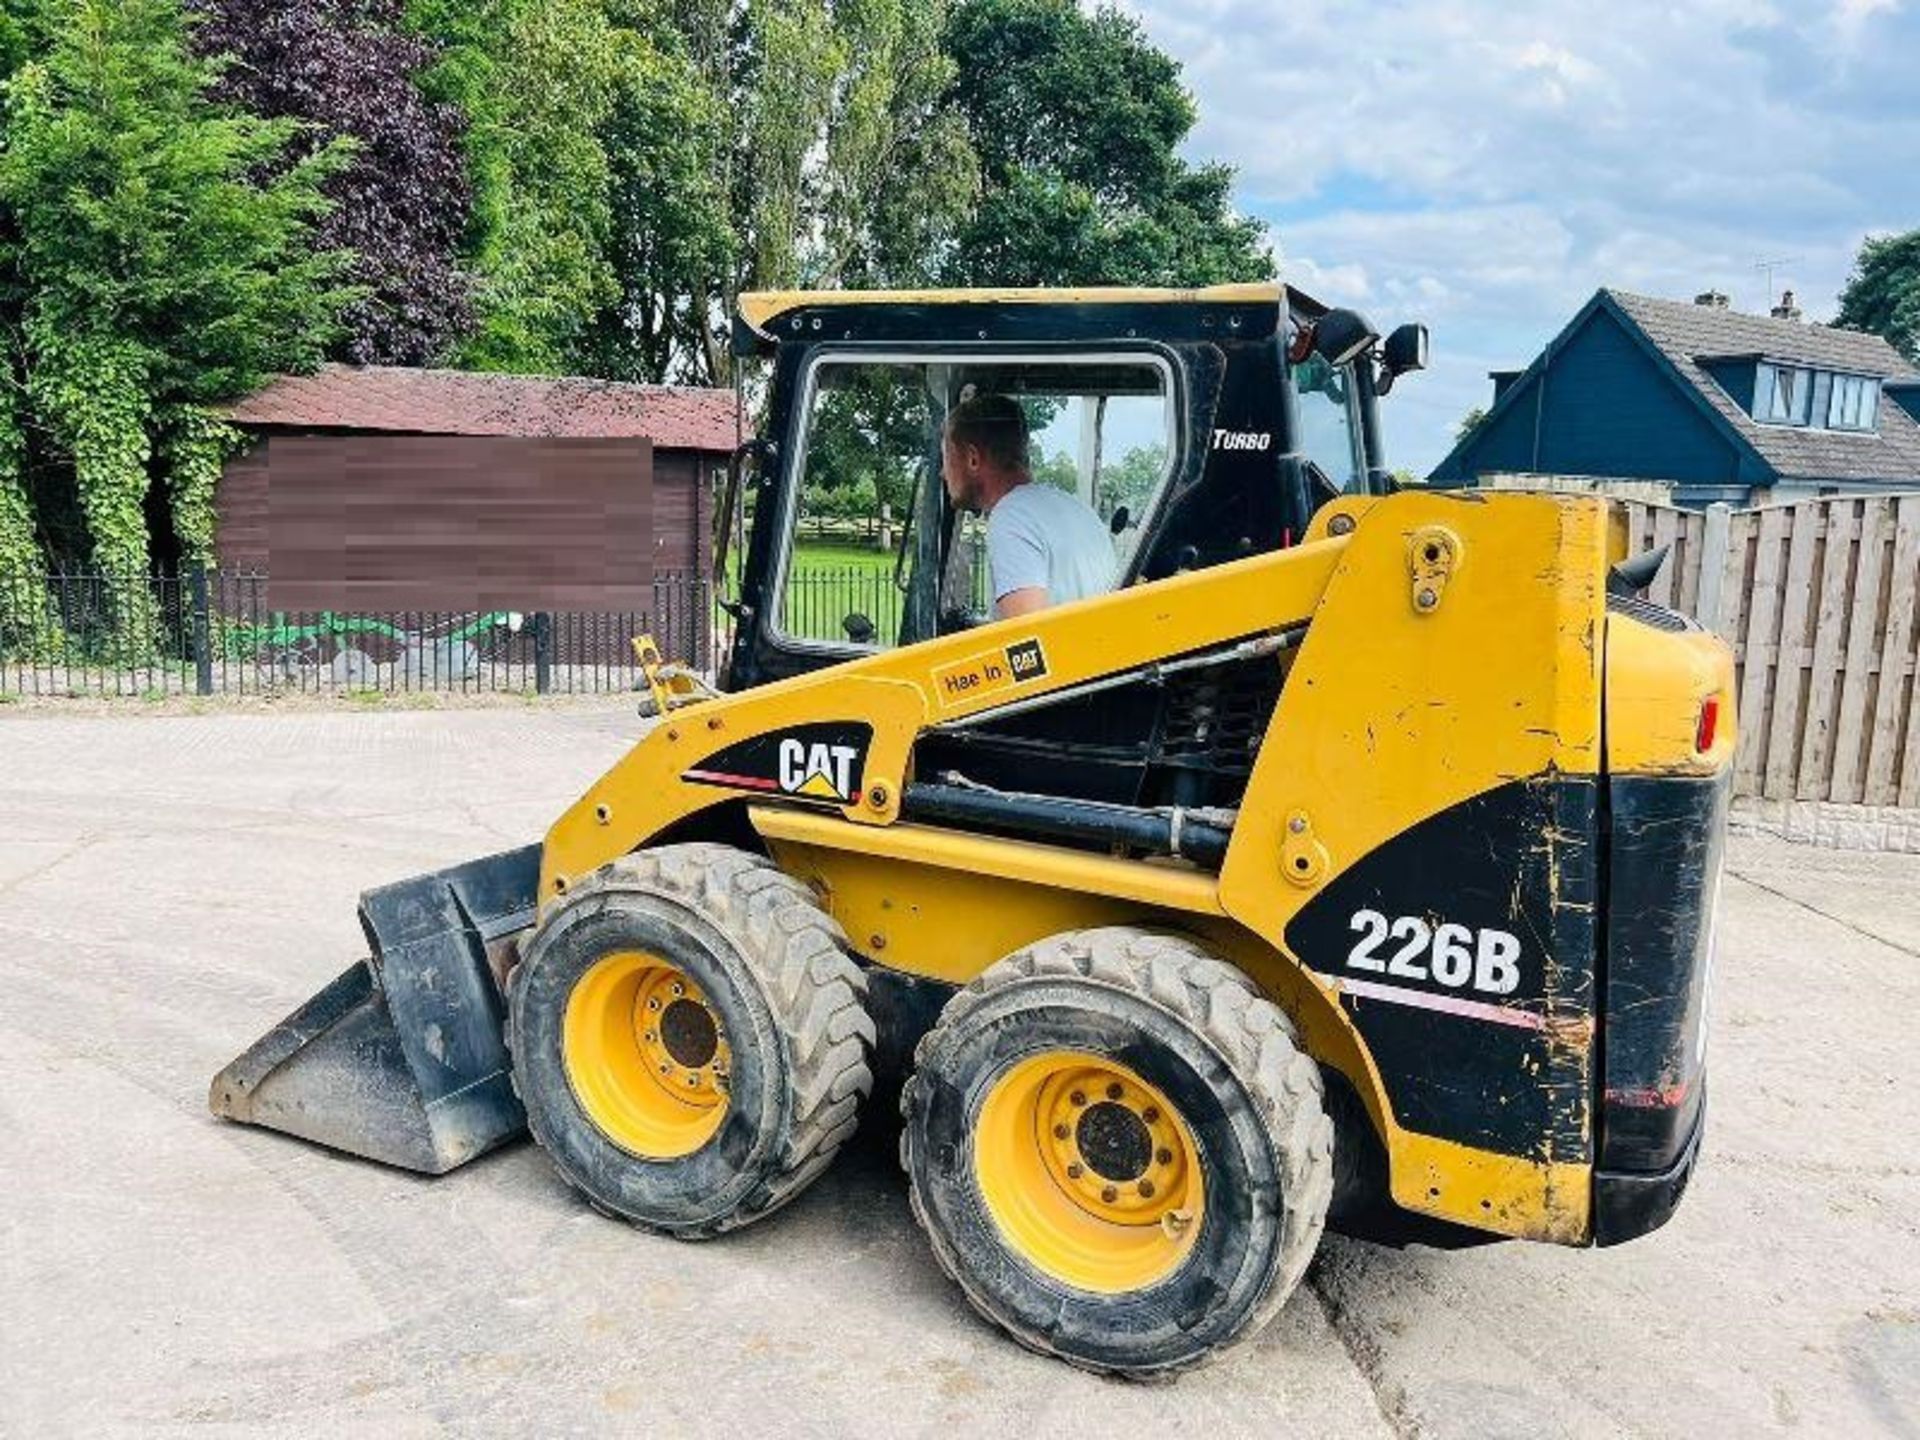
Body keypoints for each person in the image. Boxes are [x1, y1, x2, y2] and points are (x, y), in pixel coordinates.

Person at [941, 393, 1117, 619]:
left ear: (973, 458)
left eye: (946, 459)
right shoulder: (1078, 509)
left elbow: (1026, 642)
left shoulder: (1012, 518)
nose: (943, 474)